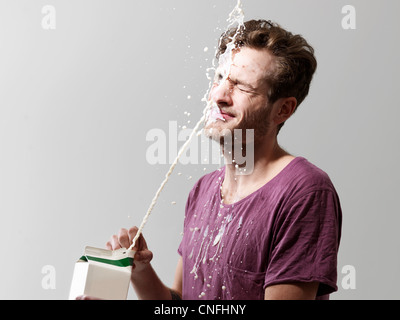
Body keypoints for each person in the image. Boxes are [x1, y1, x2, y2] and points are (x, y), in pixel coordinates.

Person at [79, 19, 342, 300]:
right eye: (219, 78)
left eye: (241, 87)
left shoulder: (305, 191)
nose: (218, 96)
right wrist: (141, 271)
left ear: (284, 109)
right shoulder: (203, 190)